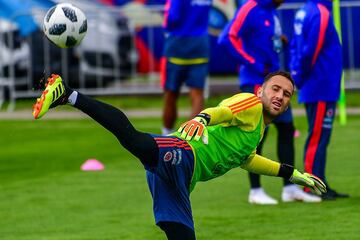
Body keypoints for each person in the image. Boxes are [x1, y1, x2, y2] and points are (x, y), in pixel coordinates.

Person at [32, 71, 326, 240]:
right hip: (183, 154)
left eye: (286, 94)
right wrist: (202, 119)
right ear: (261, 90)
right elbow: (222, 110)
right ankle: (67, 94)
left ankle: (67, 95)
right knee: (134, 139)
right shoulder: (250, 103)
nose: (280, 96)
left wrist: (290, 173)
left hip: (180, 179)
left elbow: (246, 159)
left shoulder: (258, 129)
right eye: (275, 88)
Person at [218, 0, 320, 204]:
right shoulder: (250, 7)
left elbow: (263, 38)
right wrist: (253, 62)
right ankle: (255, 191)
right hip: (256, 82)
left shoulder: (272, 11)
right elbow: (227, 38)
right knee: (256, 136)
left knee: (286, 129)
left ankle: (289, 188)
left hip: (275, 82)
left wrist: (279, 40)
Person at [289, 0, 349, 200]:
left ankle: (319, 185)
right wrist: (301, 77)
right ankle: (311, 186)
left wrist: (298, 76)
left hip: (317, 84)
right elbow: (310, 50)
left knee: (320, 136)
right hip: (320, 84)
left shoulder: (304, 11)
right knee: (318, 137)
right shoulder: (320, 12)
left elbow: (296, 48)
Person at [161, 0, 211, 135]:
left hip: (177, 47)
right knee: (197, 96)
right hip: (200, 46)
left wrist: (166, 27)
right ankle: (189, 138)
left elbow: (172, 18)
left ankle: (166, 135)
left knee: (171, 94)